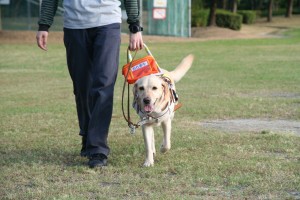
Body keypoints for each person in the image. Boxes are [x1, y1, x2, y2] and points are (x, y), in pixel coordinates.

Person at [36, 0, 143, 168]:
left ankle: (97, 148)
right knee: (82, 86)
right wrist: (44, 24)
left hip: (108, 23)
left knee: (104, 83)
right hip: (74, 26)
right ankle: (88, 135)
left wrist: (135, 25)